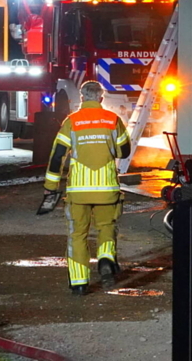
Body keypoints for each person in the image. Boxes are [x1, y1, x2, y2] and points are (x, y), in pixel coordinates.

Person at [39, 80, 130, 295]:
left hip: (78, 191)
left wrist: (50, 187)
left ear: (82, 98)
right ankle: (106, 258)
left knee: (77, 235)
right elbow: (124, 151)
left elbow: (57, 157)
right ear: (101, 98)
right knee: (107, 226)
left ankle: (79, 283)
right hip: (107, 189)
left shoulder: (72, 122)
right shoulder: (112, 120)